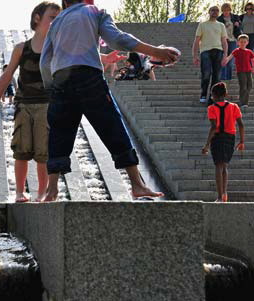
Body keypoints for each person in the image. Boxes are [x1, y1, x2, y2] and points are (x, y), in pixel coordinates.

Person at [40, 0, 179, 201]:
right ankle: (137, 184)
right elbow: (117, 40)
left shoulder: (57, 21)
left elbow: (45, 61)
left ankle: (51, 190)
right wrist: (155, 51)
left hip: (61, 80)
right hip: (88, 76)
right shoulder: (95, 11)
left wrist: (51, 88)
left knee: (59, 132)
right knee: (112, 125)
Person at [0, 2, 60, 202]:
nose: (55, 22)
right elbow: (6, 75)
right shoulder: (22, 48)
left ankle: (42, 192)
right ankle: (19, 191)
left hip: (47, 105)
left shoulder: (56, 49)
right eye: (52, 17)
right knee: (21, 150)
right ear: (37, 18)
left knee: (44, 153)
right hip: (24, 105)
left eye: (57, 18)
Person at [201, 82, 245, 202]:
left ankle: (219, 196)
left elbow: (214, 127)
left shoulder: (212, 108)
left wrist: (207, 145)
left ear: (213, 95)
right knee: (224, 166)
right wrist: (241, 141)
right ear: (225, 94)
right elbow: (241, 124)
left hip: (218, 138)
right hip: (230, 137)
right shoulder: (234, 107)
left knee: (218, 166)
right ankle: (224, 193)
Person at [193, 6, 228, 104]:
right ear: (209, 12)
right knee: (206, 75)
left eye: (217, 11)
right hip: (206, 51)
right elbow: (196, 41)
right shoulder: (202, 25)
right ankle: (204, 93)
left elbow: (224, 41)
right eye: (213, 10)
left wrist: (225, 55)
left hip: (218, 51)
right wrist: (195, 56)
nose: (215, 12)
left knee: (217, 76)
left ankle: (213, 96)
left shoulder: (221, 25)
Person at [221, 34, 254, 108]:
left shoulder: (249, 51)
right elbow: (230, 56)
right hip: (240, 71)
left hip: (248, 71)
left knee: (250, 86)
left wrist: (253, 68)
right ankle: (243, 102)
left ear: (247, 43)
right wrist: (225, 60)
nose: (242, 43)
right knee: (243, 86)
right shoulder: (236, 50)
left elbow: (252, 60)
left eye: (244, 42)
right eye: (241, 42)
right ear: (238, 43)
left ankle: (243, 99)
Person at [218, 3, 242, 80]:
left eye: (228, 10)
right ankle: (223, 77)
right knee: (223, 58)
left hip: (233, 40)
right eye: (224, 10)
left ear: (230, 10)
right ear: (222, 11)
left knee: (231, 60)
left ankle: (228, 77)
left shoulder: (235, 17)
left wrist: (238, 23)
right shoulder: (219, 19)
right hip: (223, 40)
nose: (226, 12)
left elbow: (240, 25)